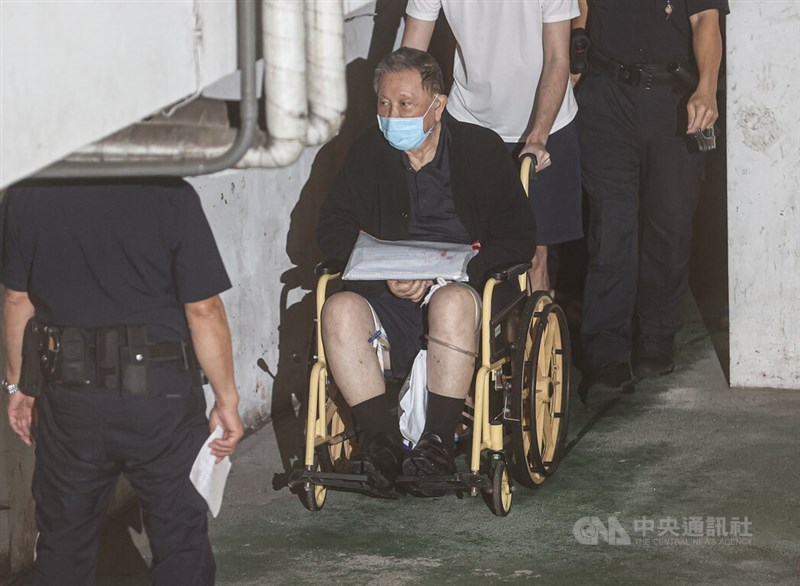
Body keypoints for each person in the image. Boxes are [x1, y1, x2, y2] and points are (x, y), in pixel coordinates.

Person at [316, 48, 536, 497]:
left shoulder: (480, 150)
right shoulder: (368, 153)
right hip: (388, 289)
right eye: (383, 103)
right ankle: (380, 442)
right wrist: (384, 273)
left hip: (460, 288)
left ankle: (436, 443)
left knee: (452, 302)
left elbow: (517, 237)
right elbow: (331, 228)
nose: (391, 114)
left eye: (405, 104)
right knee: (338, 308)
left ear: (438, 104)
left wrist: (453, 272)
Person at [1, 179, 244, 585]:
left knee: (64, 543)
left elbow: (16, 300)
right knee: (179, 541)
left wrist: (19, 385)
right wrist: (226, 399)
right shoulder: (170, 194)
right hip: (158, 397)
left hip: (70, 397)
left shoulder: (28, 195)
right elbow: (204, 309)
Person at [573, 0, 729, 397]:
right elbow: (580, 10)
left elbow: (706, 21)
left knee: (671, 222)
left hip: (673, 100)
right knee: (611, 227)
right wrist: (572, 70)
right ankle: (606, 352)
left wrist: (707, 88)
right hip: (606, 97)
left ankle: (657, 337)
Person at [402, 0, 582, 294]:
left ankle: (537, 328)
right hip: (470, 122)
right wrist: (402, 121)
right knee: (470, 247)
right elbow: (410, 57)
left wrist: (538, 136)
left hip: (543, 128)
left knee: (534, 259)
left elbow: (557, 58)